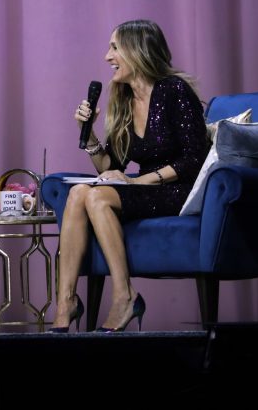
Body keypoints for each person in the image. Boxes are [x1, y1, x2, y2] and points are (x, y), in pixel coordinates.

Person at [50, 19, 208, 333]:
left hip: (179, 189)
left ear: (137, 51)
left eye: (114, 48)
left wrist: (138, 181)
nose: (107, 57)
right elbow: (113, 163)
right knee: (80, 192)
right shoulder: (123, 97)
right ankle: (66, 301)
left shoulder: (174, 90)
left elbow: (194, 160)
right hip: (145, 188)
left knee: (95, 195)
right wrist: (89, 133)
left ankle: (124, 296)